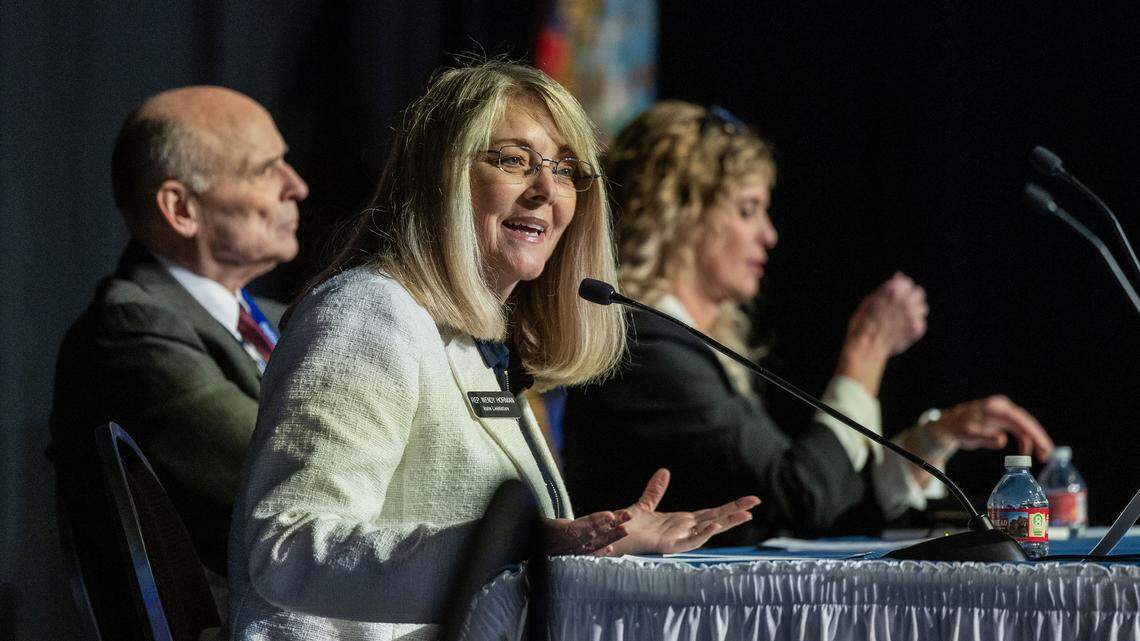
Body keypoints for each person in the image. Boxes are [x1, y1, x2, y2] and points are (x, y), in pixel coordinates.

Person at [227, 62, 759, 639]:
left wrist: (596, 546)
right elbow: (287, 547)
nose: (546, 190)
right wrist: (512, 550)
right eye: (514, 160)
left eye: (565, 170)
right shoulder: (368, 314)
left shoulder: (468, 339)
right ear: (442, 175)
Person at [563, 101, 1053, 543]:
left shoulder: (685, 343)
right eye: (747, 210)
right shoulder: (645, 345)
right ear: (680, 216)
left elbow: (823, 501)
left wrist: (931, 441)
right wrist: (867, 350)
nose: (769, 235)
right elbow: (800, 498)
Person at [49, 85, 309, 593]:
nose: (297, 186)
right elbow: (289, 475)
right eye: (265, 170)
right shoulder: (131, 329)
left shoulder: (288, 318)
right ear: (181, 208)